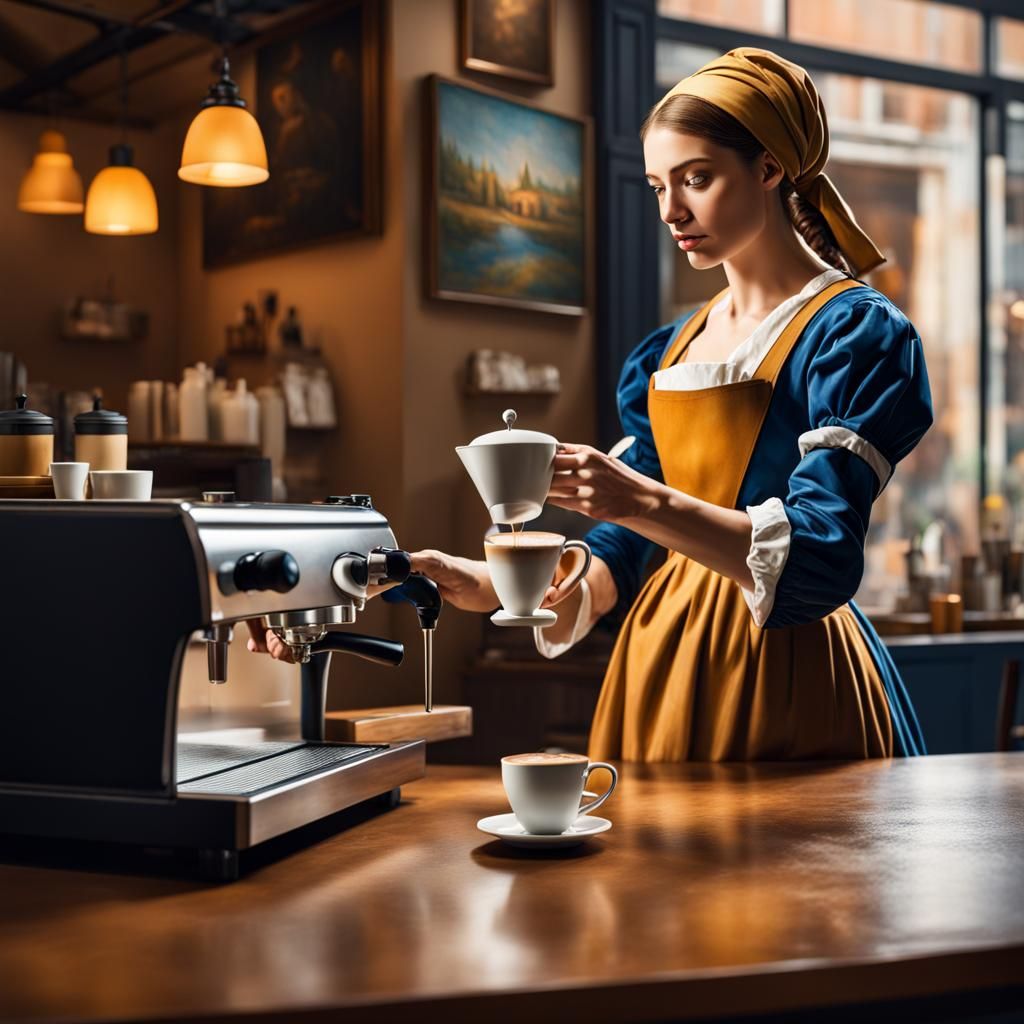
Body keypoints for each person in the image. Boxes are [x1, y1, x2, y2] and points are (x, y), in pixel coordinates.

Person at [251, 47, 933, 762]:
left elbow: (822, 559)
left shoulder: (852, 332)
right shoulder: (667, 352)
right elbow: (624, 551)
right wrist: (488, 583)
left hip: (792, 671)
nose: (672, 210)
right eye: (657, 186)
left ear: (769, 168)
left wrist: (638, 499)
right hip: (659, 669)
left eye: (696, 178)